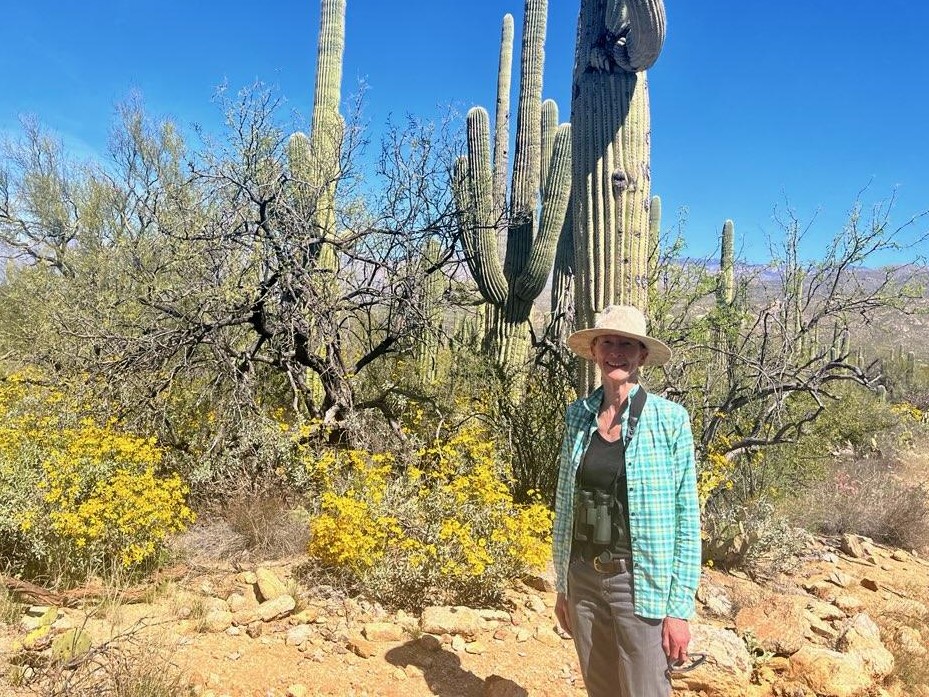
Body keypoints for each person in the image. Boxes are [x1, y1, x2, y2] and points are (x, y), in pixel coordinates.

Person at [552, 305, 701, 697]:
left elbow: (687, 518)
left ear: (642, 356)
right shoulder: (578, 416)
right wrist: (563, 585)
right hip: (583, 574)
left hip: (638, 579)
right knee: (600, 687)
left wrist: (678, 609)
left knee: (645, 689)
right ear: (595, 350)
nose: (615, 352)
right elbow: (566, 503)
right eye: (608, 343)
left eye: (626, 345)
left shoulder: (670, 420)